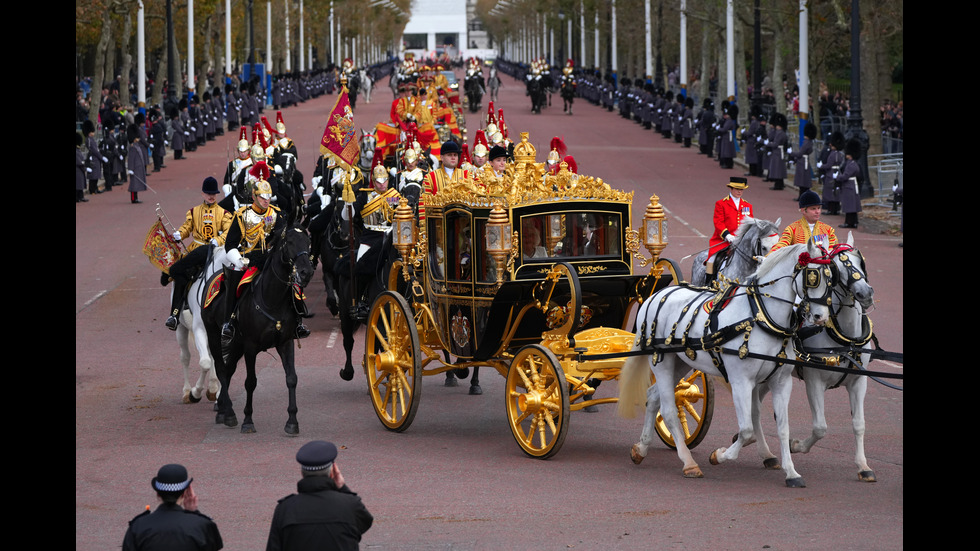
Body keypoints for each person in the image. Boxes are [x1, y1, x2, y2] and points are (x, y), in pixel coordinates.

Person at [220, 169, 304, 341]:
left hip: (270, 258)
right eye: (262, 198)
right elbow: (230, 245)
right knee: (234, 282)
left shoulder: (276, 214)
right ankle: (229, 322)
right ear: (254, 197)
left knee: (293, 281)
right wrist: (239, 260)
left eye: (268, 197)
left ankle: (298, 321)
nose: (266, 201)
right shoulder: (242, 216)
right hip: (247, 259)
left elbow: (282, 238)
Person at [266, 440, 373, 551]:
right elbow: (365, 522)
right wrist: (343, 488)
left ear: (302, 473)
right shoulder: (350, 505)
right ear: (333, 471)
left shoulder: (285, 508)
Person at [163, 177, 234, 330]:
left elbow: (229, 232)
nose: (211, 196)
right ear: (202, 194)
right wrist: (179, 234)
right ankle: (174, 315)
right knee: (180, 277)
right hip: (196, 249)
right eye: (208, 193)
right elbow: (186, 228)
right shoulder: (194, 212)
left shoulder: (224, 213)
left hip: (214, 250)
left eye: (214, 194)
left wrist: (219, 240)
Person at [122, 463, 223, 551]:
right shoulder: (201, 525)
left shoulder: (138, 526)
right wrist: (194, 513)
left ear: (158, 494)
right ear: (184, 494)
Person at [706, 176, 754, 283]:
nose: (739, 192)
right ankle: (708, 283)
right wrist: (727, 235)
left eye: (741, 189)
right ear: (731, 189)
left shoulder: (747, 205)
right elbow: (718, 222)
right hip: (723, 240)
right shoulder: (721, 203)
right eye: (737, 189)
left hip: (741, 241)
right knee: (712, 259)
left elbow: (750, 223)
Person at [770, 190, 838, 252]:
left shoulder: (828, 230)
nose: (817, 211)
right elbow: (781, 246)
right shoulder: (791, 229)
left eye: (819, 208)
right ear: (803, 210)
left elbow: (834, 251)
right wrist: (767, 258)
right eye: (813, 209)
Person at [835, 139, 863, 228]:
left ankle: (849, 222)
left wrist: (837, 177)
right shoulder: (853, 163)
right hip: (851, 185)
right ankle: (853, 222)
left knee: (849, 205)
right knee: (852, 205)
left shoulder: (851, 164)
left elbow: (845, 176)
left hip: (849, 186)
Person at [789, 121, 816, 201]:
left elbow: (800, 153)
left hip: (802, 163)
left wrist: (791, 153)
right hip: (804, 161)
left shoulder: (806, 143)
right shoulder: (809, 143)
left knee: (802, 181)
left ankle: (802, 197)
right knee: (804, 181)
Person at [127, 124, 148, 204]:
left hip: (138, 167)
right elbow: (131, 159)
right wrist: (130, 169)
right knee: (133, 184)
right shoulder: (132, 147)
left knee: (136, 183)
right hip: (135, 168)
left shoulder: (137, 146)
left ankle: (136, 197)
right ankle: (133, 198)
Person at [76, 132, 89, 202]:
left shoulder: (78, 150)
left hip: (79, 170)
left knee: (80, 185)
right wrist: (85, 168)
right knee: (78, 185)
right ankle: (79, 197)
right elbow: (79, 162)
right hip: (78, 170)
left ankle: (80, 197)